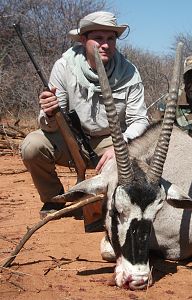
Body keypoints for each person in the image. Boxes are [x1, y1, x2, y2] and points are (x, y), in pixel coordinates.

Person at [20, 11, 149, 218]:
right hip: (72, 139)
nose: (105, 45)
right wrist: (50, 113)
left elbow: (140, 120)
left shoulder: (129, 72)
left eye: (111, 39)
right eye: (98, 38)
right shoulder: (64, 66)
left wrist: (122, 144)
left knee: (136, 160)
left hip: (111, 141)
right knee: (32, 146)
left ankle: (105, 205)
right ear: (83, 40)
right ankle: (54, 199)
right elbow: (49, 125)